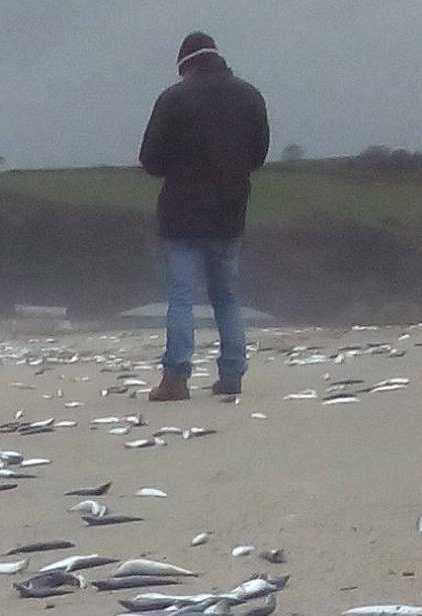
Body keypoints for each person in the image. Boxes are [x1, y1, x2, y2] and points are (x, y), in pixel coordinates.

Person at [139, 31, 269, 401]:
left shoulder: (173, 99)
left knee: (181, 296)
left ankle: (176, 377)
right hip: (230, 212)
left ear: (186, 65)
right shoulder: (250, 96)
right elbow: (258, 156)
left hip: (181, 214)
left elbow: (150, 160)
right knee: (226, 296)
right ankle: (232, 374)